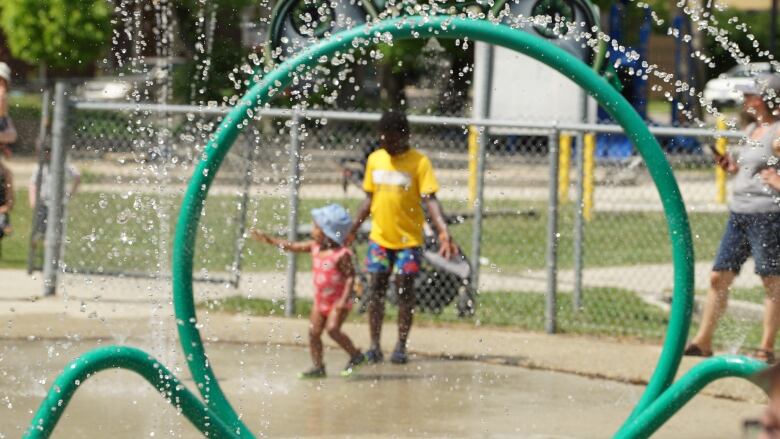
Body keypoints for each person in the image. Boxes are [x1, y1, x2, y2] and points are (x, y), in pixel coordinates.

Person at [346, 110, 457, 365]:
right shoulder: (375, 159)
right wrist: (353, 228)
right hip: (380, 239)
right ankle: (374, 345)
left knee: (404, 289)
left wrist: (443, 231)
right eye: (384, 140)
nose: (388, 145)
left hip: (409, 240)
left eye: (393, 140)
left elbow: (430, 200)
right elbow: (369, 198)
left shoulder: (419, 162)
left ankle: (401, 345)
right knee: (376, 290)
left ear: (405, 136)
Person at [685, 74, 780, 363]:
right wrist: (731, 166)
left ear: (764, 100)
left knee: (772, 281)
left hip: (768, 216)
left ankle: (766, 347)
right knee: (718, 276)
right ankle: (704, 340)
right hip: (739, 213)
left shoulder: (777, 133)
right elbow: (747, 169)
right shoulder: (752, 128)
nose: (745, 100)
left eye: (751, 95)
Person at [251, 204, 365, 378]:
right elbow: (292, 246)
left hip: (337, 301)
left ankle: (356, 355)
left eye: (316, 227)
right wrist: (270, 240)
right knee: (313, 332)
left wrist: (344, 299)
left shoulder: (342, 254)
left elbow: (350, 277)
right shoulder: (315, 247)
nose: (313, 230)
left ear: (329, 232)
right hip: (320, 302)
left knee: (333, 330)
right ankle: (318, 366)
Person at [28, 145, 81, 245]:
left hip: (58, 203)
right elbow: (33, 183)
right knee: (40, 228)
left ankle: (51, 249)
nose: (47, 155)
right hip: (43, 203)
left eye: (49, 152)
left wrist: (71, 193)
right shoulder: (40, 166)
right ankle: (43, 247)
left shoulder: (64, 165)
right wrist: (33, 199)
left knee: (55, 228)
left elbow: (77, 177)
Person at [0, 62, 17, 239]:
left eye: (3, 83)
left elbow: (12, 135)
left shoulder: (4, 117)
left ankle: (5, 214)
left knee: (7, 174)